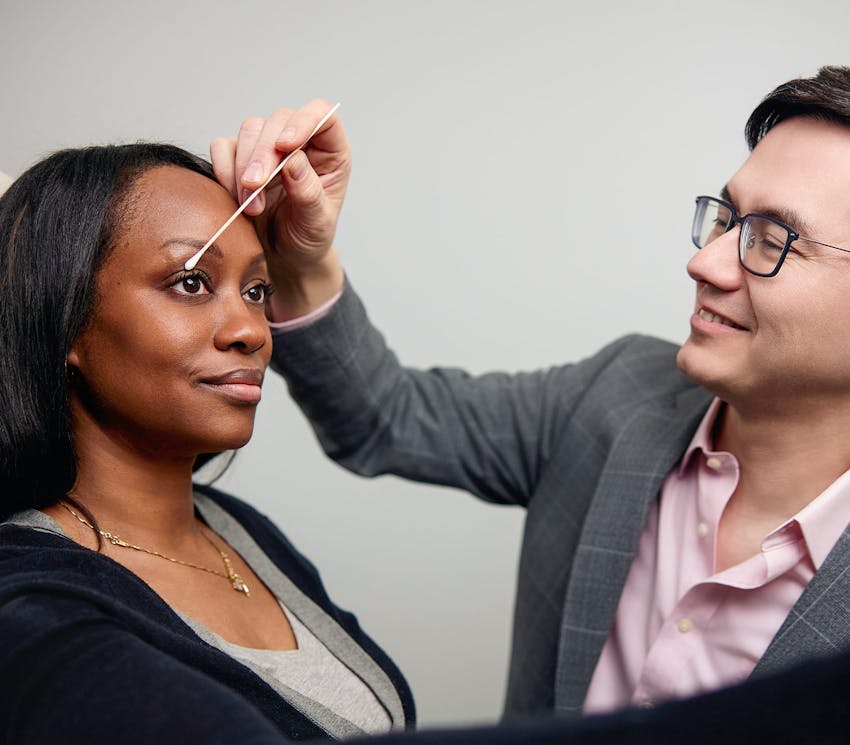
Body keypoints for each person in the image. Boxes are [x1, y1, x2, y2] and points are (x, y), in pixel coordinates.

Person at [213, 65, 850, 719]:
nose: (704, 262)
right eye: (728, 219)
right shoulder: (616, 394)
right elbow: (384, 418)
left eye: (771, 242)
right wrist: (301, 263)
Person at [0, 143, 414, 743]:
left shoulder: (242, 534)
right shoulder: (28, 598)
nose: (252, 331)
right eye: (191, 282)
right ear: (64, 318)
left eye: (256, 291)